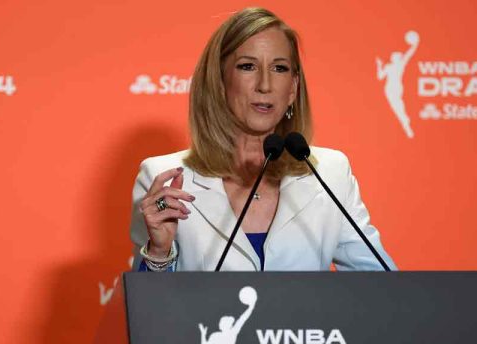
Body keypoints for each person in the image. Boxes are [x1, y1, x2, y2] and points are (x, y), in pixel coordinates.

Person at [130, 7, 396, 272]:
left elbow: (384, 289)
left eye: (279, 68)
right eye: (248, 66)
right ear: (219, 82)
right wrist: (158, 251)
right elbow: (150, 307)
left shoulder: (330, 172)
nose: (265, 85)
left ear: (292, 89)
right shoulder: (164, 177)